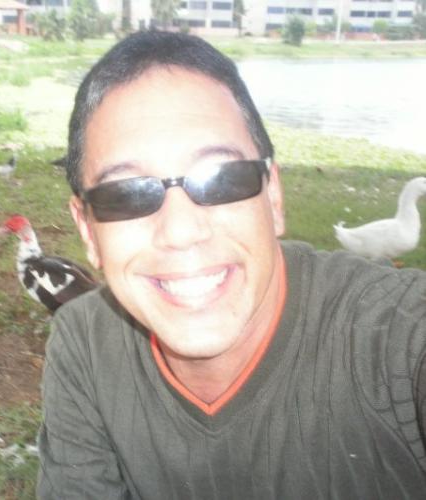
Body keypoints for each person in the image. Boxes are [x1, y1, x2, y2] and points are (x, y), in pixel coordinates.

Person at [37, 31, 426, 499]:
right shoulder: (86, 345)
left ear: (273, 196)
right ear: (87, 231)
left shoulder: (400, 339)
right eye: (127, 194)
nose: (181, 231)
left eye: (220, 178)